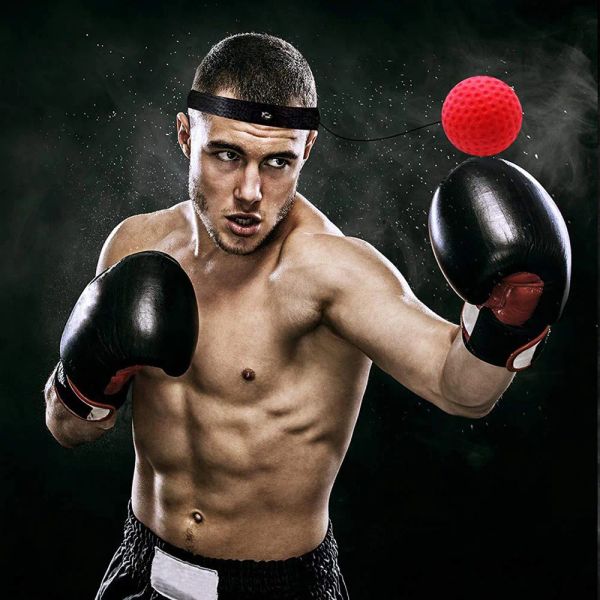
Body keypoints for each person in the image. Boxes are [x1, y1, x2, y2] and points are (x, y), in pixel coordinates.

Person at [43, 33, 570, 600]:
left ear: (308, 150)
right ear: (184, 136)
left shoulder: (330, 271)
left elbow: (461, 388)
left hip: (278, 585)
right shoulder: (135, 244)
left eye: (278, 162)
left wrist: (511, 319)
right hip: (140, 564)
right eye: (227, 155)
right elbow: (67, 428)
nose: (251, 191)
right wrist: (85, 385)